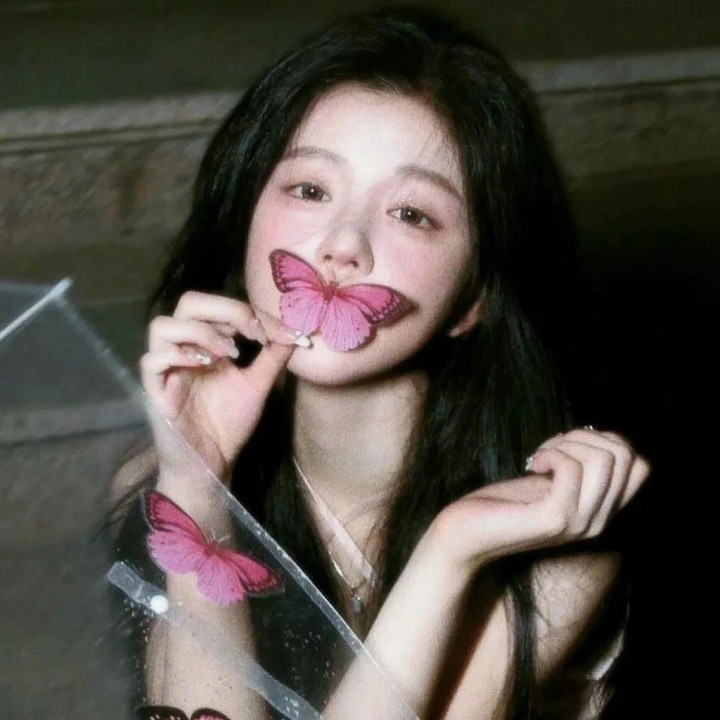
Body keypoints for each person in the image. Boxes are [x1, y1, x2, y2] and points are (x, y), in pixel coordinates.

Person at [118, 6, 649, 719]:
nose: (343, 244)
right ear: (245, 221)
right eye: (310, 190)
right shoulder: (158, 483)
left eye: (412, 214)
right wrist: (196, 486)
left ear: (474, 299)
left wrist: (451, 552)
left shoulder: (549, 557)